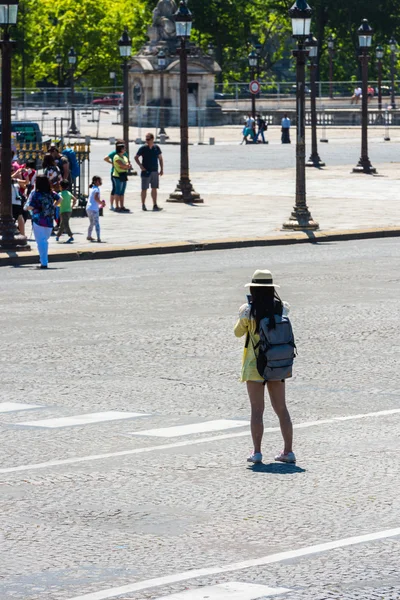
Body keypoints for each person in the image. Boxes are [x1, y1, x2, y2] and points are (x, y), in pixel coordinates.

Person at [234, 269, 295, 465]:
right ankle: (288, 451)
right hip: (276, 362)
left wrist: (245, 320)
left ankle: (257, 452)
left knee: (257, 410)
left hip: (254, 366)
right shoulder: (282, 308)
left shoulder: (248, 310)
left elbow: (237, 333)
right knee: (281, 408)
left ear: (253, 288)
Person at [24, 175, 60, 269]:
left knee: (41, 242)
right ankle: (43, 261)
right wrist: (53, 206)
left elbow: (31, 206)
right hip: (49, 220)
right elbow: (60, 199)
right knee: (45, 240)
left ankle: (44, 262)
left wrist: (26, 207)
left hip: (38, 220)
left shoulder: (36, 194)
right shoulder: (51, 192)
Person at [134, 133, 163, 211]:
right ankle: (143, 204)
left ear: (152, 139)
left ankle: (155, 204)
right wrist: (140, 166)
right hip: (146, 171)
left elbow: (160, 158)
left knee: (154, 188)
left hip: (154, 171)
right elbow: (136, 157)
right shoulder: (143, 148)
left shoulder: (156, 148)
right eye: (146, 139)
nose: (147, 141)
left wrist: (161, 169)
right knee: (144, 189)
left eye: (148, 139)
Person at [112, 143, 131, 213]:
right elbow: (122, 165)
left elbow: (127, 164)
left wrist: (127, 165)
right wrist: (126, 166)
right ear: (120, 149)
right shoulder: (116, 157)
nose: (125, 149)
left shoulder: (124, 157)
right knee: (117, 191)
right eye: (124, 148)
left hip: (123, 175)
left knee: (122, 192)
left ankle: (122, 206)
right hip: (117, 175)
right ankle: (117, 206)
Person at [86, 176, 105, 242]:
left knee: (92, 223)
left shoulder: (92, 188)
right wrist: (101, 203)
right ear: (96, 181)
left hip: (88, 208)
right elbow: (96, 198)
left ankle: (89, 236)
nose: (100, 182)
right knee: (96, 223)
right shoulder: (96, 189)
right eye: (99, 181)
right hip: (94, 209)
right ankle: (98, 237)